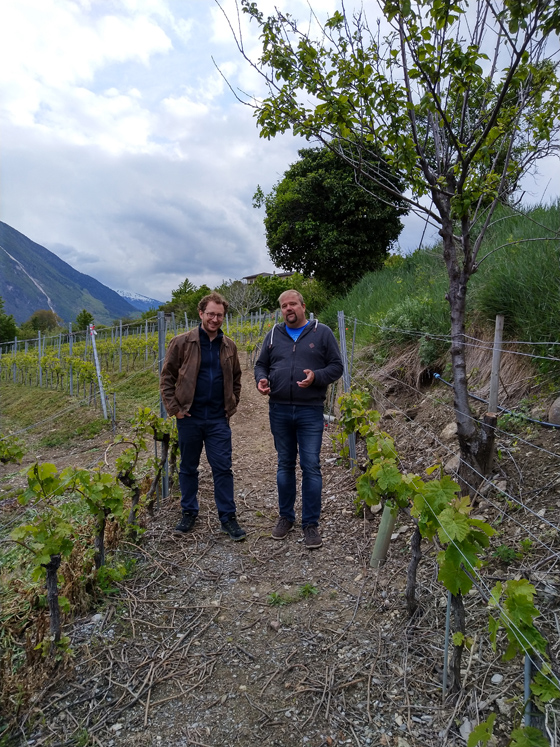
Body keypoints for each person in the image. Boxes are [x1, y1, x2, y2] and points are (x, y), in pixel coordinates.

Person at [254, 290, 343, 548]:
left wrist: (316, 376)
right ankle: (286, 517)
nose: (288, 308)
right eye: (283, 306)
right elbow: (261, 364)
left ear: (303, 306)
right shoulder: (272, 335)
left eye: (292, 304)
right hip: (279, 408)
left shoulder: (322, 332)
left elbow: (336, 367)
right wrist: (260, 379)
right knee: (284, 464)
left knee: (311, 466)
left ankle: (310, 524)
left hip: (310, 410)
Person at [160, 292, 246, 541]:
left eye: (219, 315)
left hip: (218, 419)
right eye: (210, 314)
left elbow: (237, 378)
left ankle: (228, 518)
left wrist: (232, 404)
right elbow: (167, 377)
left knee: (222, 468)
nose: (215, 319)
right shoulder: (182, 342)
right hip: (189, 417)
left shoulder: (229, 345)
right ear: (201, 314)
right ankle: (188, 512)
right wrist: (175, 409)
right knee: (188, 468)